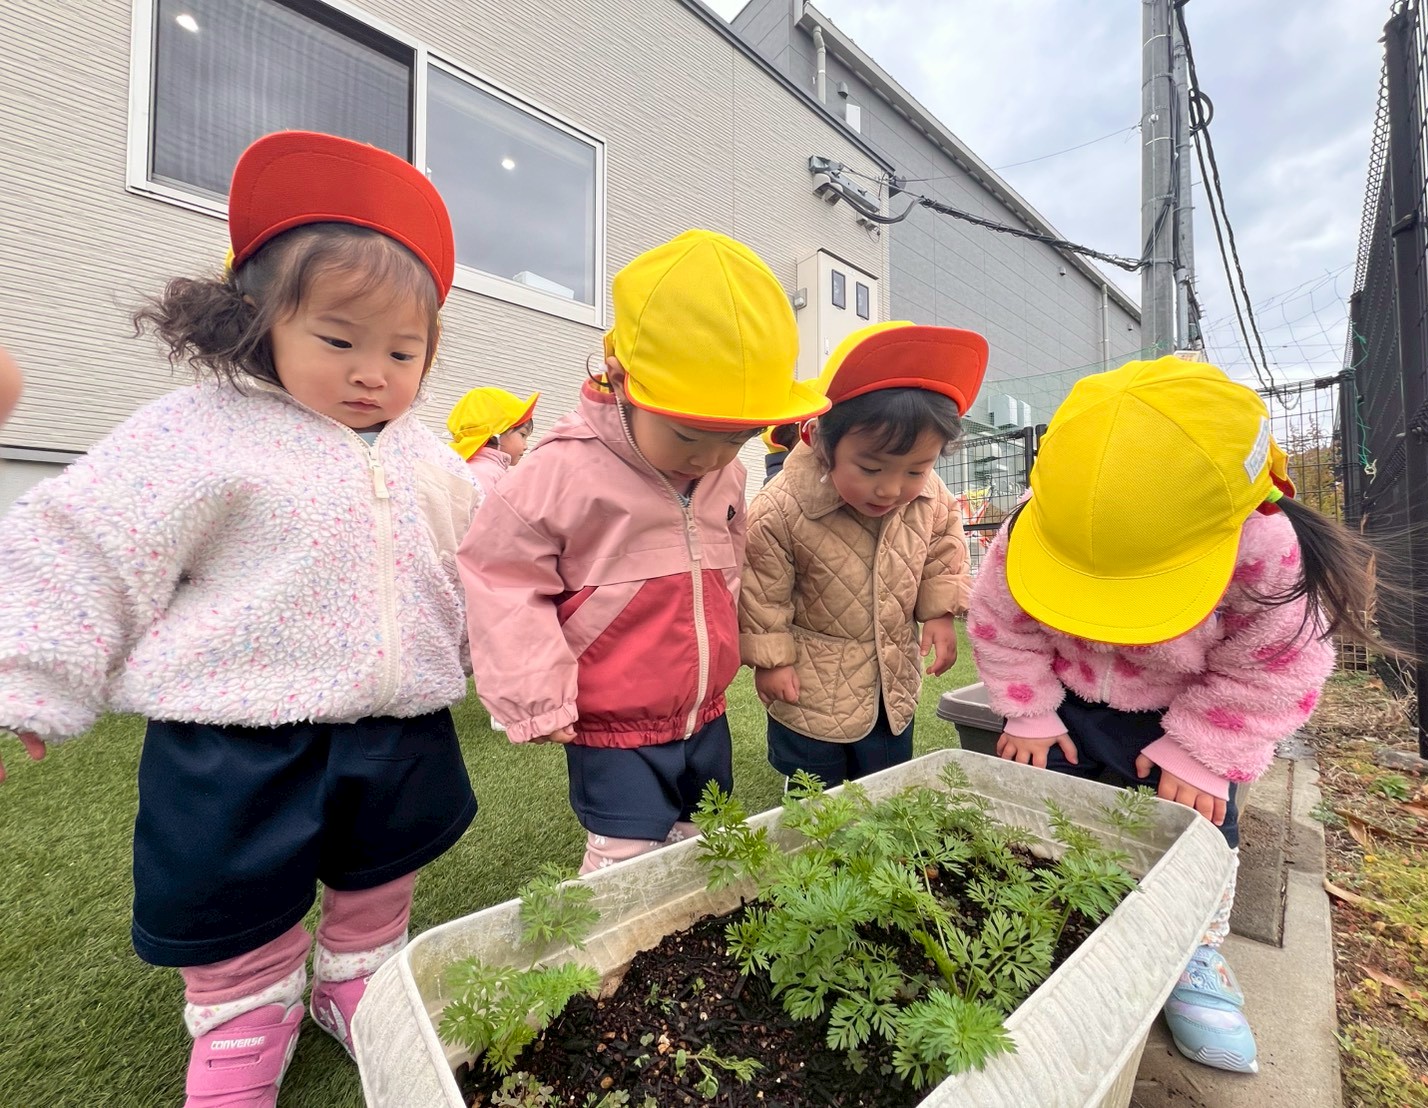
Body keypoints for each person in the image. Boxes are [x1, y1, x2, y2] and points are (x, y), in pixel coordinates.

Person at [0, 131, 480, 1104]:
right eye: (339, 341)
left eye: (402, 351)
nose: (372, 373)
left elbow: (481, 561)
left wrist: (505, 651)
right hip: (237, 729)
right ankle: (244, 1015)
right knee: (232, 895)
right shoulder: (202, 429)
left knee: (381, 870)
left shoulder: (426, 457)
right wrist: (28, 675)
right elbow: (89, 537)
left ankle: (358, 979)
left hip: (395, 720)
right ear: (258, 323)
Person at [967, 355, 1383, 1074]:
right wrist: (1028, 711)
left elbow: (1272, 666)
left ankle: (1192, 949)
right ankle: (1054, 921)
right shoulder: (1034, 522)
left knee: (1196, 832)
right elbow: (1002, 620)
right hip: (1067, 703)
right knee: (1054, 816)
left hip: (1182, 713)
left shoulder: (1262, 547)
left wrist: (1201, 752)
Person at [458, 229, 829, 874]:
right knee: (625, 856)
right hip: (614, 719)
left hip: (704, 709)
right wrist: (533, 692)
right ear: (622, 382)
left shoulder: (725, 474)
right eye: (688, 435)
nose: (711, 457)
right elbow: (502, 578)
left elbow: (730, 566)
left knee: (703, 835)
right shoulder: (560, 470)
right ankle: (614, 931)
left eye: (736, 437)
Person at [741, 320, 987, 788]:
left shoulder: (930, 495)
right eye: (871, 468)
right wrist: (772, 660)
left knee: (887, 779)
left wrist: (939, 612)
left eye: (915, 470)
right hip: (811, 685)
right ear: (818, 440)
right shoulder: (780, 507)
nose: (891, 489)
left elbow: (943, 547)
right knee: (816, 791)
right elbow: (762, 591)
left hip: (890, 682)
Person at [447, 386, 539, 494]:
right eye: (522, 435)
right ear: (496, 433)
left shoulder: (474, 467)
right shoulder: (484, 474)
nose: (526, 446)